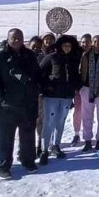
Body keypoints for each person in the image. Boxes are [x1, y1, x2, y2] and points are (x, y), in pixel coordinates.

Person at [0, 28, 42, 179]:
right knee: (5, 138)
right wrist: (2, 99)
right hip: (7, 106)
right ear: (8, 38)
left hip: (28, 104)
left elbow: (36, 76)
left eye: (20, 37)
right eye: (14, 38)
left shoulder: (29, 55)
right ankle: (3, 166)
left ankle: (27, 160)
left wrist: (37, 89)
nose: (17, 40)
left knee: (28, 135)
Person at [38, 35, 81, 164]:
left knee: (60, 121)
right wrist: (46, 87)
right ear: (60, 46)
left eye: (69, 46)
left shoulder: (74, 60)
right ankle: (44, 149)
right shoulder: (51, 57)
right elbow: (40, 74)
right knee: (49, 122)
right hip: (51, 96)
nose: (67, 48)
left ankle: (56, 145)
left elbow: (77, 75)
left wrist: (76, 85)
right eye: (64, 45)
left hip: (66, 96)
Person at [70, 33, 93, 146]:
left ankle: (87, 135)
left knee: (87, 112)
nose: (85, 44)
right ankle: (76, 133)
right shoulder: (75, 53)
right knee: (78, 111)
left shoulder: (93, 54)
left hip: (88, 86)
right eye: (83, 42)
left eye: (87, 42)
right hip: (77, 87)